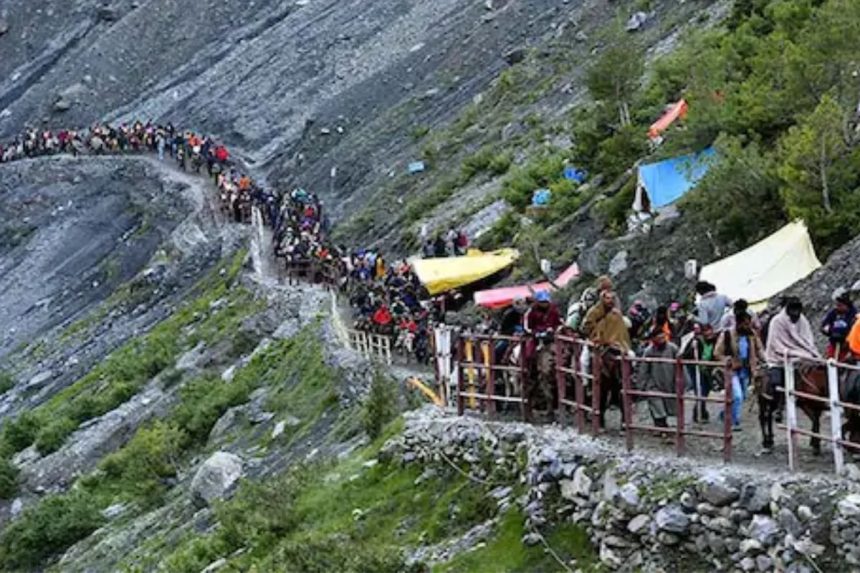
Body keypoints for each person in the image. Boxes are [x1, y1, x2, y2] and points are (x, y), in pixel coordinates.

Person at [715, 312, 765, 430]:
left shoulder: (751, 335)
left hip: (746, 370)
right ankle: (734, 422)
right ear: (739, 323)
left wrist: (766, 360)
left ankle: (724, 413)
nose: (748, 326)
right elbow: (717, 352)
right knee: (737, 396)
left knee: (741, 395)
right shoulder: (727, 334)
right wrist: (727, 360)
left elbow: (759, 349)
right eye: (745, 324)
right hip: (731, 370)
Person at [638, 329, 680, 429]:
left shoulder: (673, 348)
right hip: (654, 383)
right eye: (659, 338)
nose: (661, 340)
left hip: (669, 380)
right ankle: (661, 425)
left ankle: (662, 424)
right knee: (656, 404)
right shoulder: (649, 351)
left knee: (668, 405)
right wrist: (642, 384)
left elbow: (680, 366)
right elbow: (644, 369)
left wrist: (680, 382)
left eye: (663, 337)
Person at [681, 323, 719, 423]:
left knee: (705, 391)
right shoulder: (696, 340)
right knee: (700, 391)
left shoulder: (716, 340)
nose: (709, 334)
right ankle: (699, 413)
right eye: (706, 332)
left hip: (707, 369)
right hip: (695, 369)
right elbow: (685, 355)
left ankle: (701, 411)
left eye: (710, 331)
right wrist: (693, 349)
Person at [821, 293, 857, 361]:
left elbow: (853, 330)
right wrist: (830, 331)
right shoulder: (834, 313)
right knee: (830, 361)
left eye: (840, 305)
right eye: (837, 305)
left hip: (847, 345)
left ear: (847, 305)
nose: (837, 307)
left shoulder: (853, 315)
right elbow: (824, 325)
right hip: (834, 343)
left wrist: (843, 334)